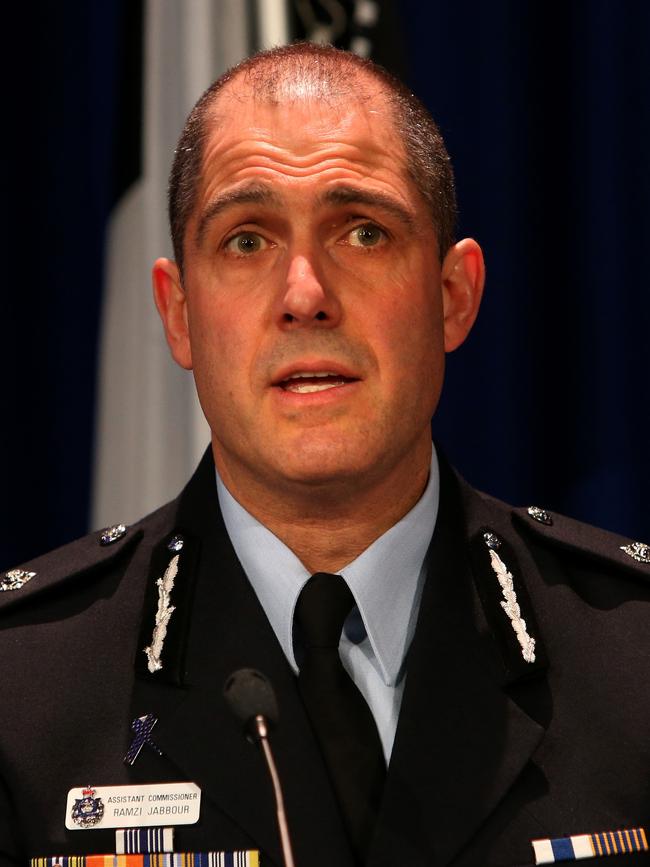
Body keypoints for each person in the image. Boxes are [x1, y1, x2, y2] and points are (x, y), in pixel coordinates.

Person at [0, 43, 648, 867]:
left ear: (453, 296)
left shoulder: (635, 659)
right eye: (246, 240)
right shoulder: (19, 690)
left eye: (364, 231)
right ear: (179, 314)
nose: (305, 295)